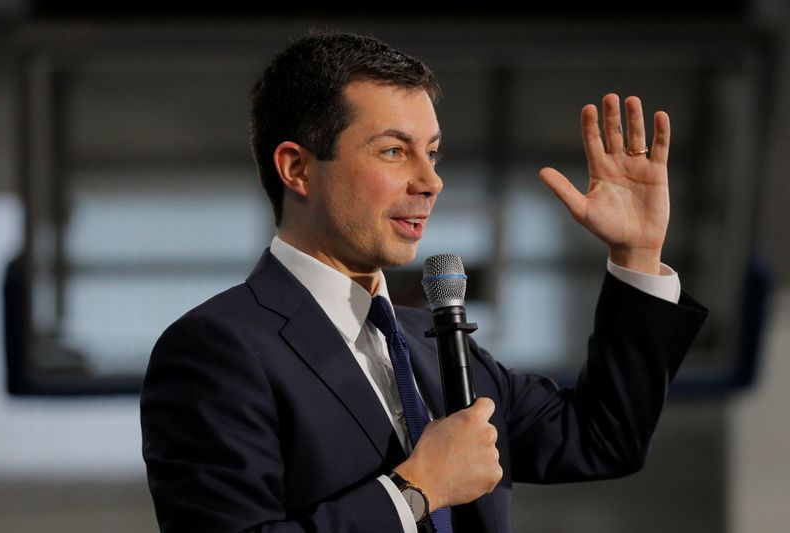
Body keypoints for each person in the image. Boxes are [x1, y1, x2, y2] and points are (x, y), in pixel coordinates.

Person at [140, 32, 707, 533]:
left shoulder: (437, 343)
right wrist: (414, 491)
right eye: (394, 151)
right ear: (297, 168)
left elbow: (604, 439)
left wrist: (636, 251)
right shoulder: (219, 349)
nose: (430, 180)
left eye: (432, 153)